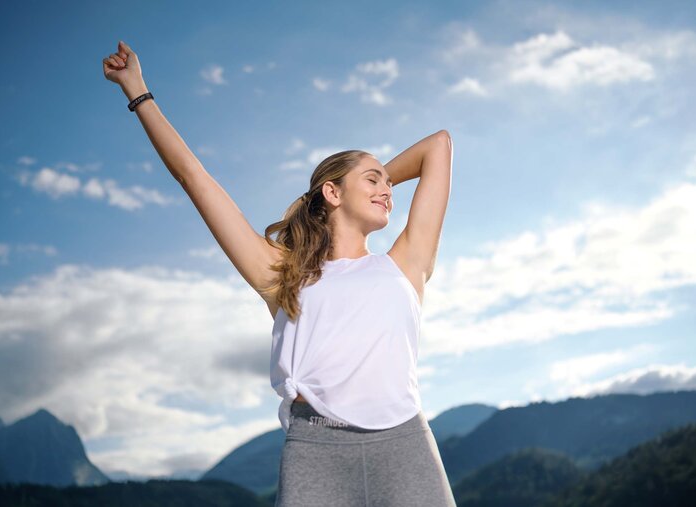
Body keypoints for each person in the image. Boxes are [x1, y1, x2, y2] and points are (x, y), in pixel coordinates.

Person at [103, 40, 456, 506]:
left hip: (405, 444)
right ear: (332, 192)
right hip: (317, 451)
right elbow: (194, 177)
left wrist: (364, 185)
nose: (388, 190)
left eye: (388, 183)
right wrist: (137, 90)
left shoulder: (406, 263)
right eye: (374, 180)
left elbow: (439, 145)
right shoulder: (283, 274)